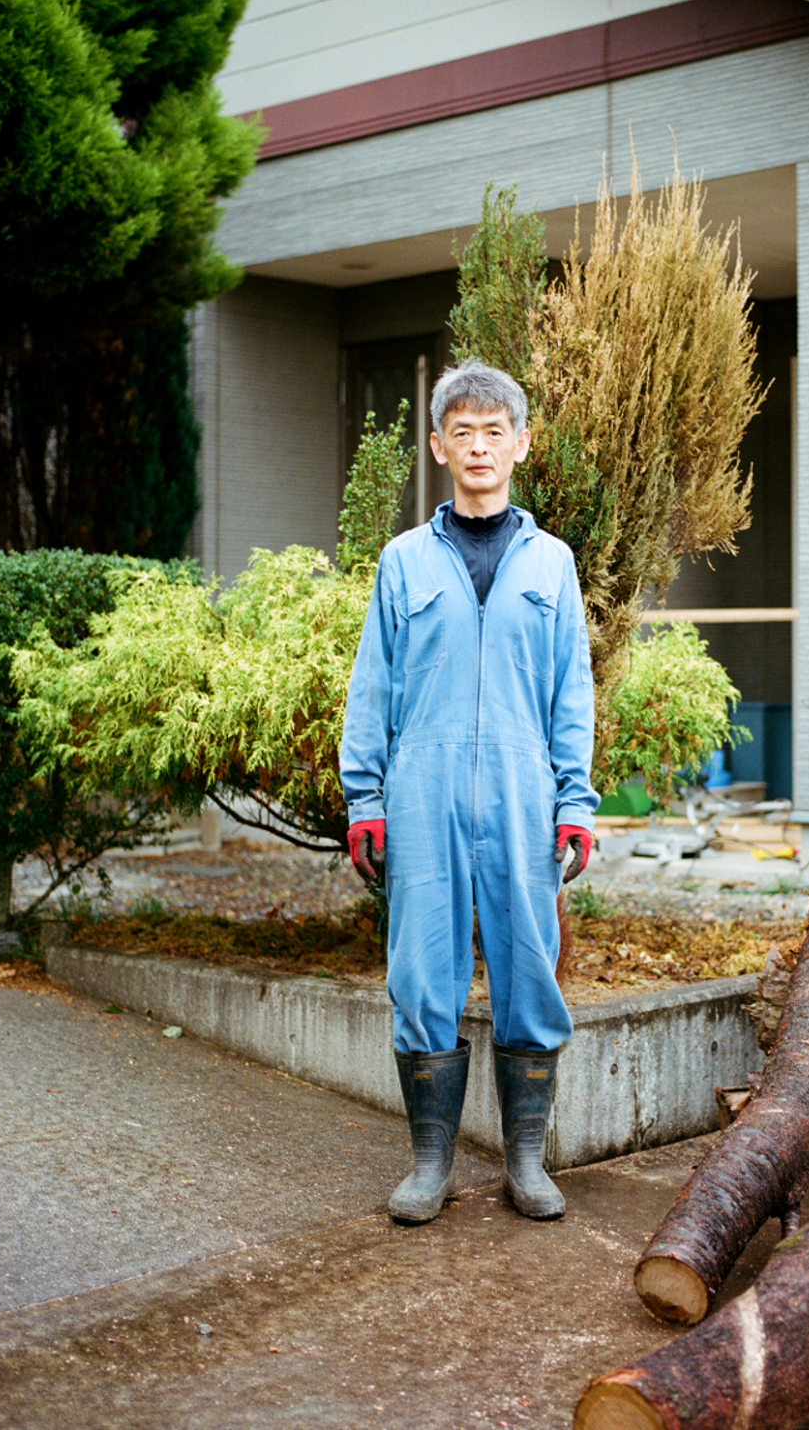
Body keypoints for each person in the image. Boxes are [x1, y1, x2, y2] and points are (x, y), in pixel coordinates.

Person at [339, 360, 598, 1225]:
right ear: (438, 444)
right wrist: (364, 798)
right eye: (464, 431)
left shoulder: (553, 564)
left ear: (520, 443)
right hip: (423, 797)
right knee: (422, 974)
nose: (479, 446)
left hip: (525, 798)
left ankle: (525, 1158)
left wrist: (576, 804)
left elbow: (572, 694)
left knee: (529, 969)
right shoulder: (404, 562)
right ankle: (429, 1162)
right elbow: (371, 686)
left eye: (496, 431)